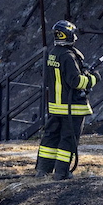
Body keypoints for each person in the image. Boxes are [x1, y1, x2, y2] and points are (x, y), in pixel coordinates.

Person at [36, 20, 98, 179]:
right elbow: (75, 81)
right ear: (69, 35)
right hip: (72, 108)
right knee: (68, 140)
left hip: (56, 107)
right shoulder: (69, 56)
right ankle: (61, 172)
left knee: (50, 137)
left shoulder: (53, 54)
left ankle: (43, 170)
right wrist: (92, 79)